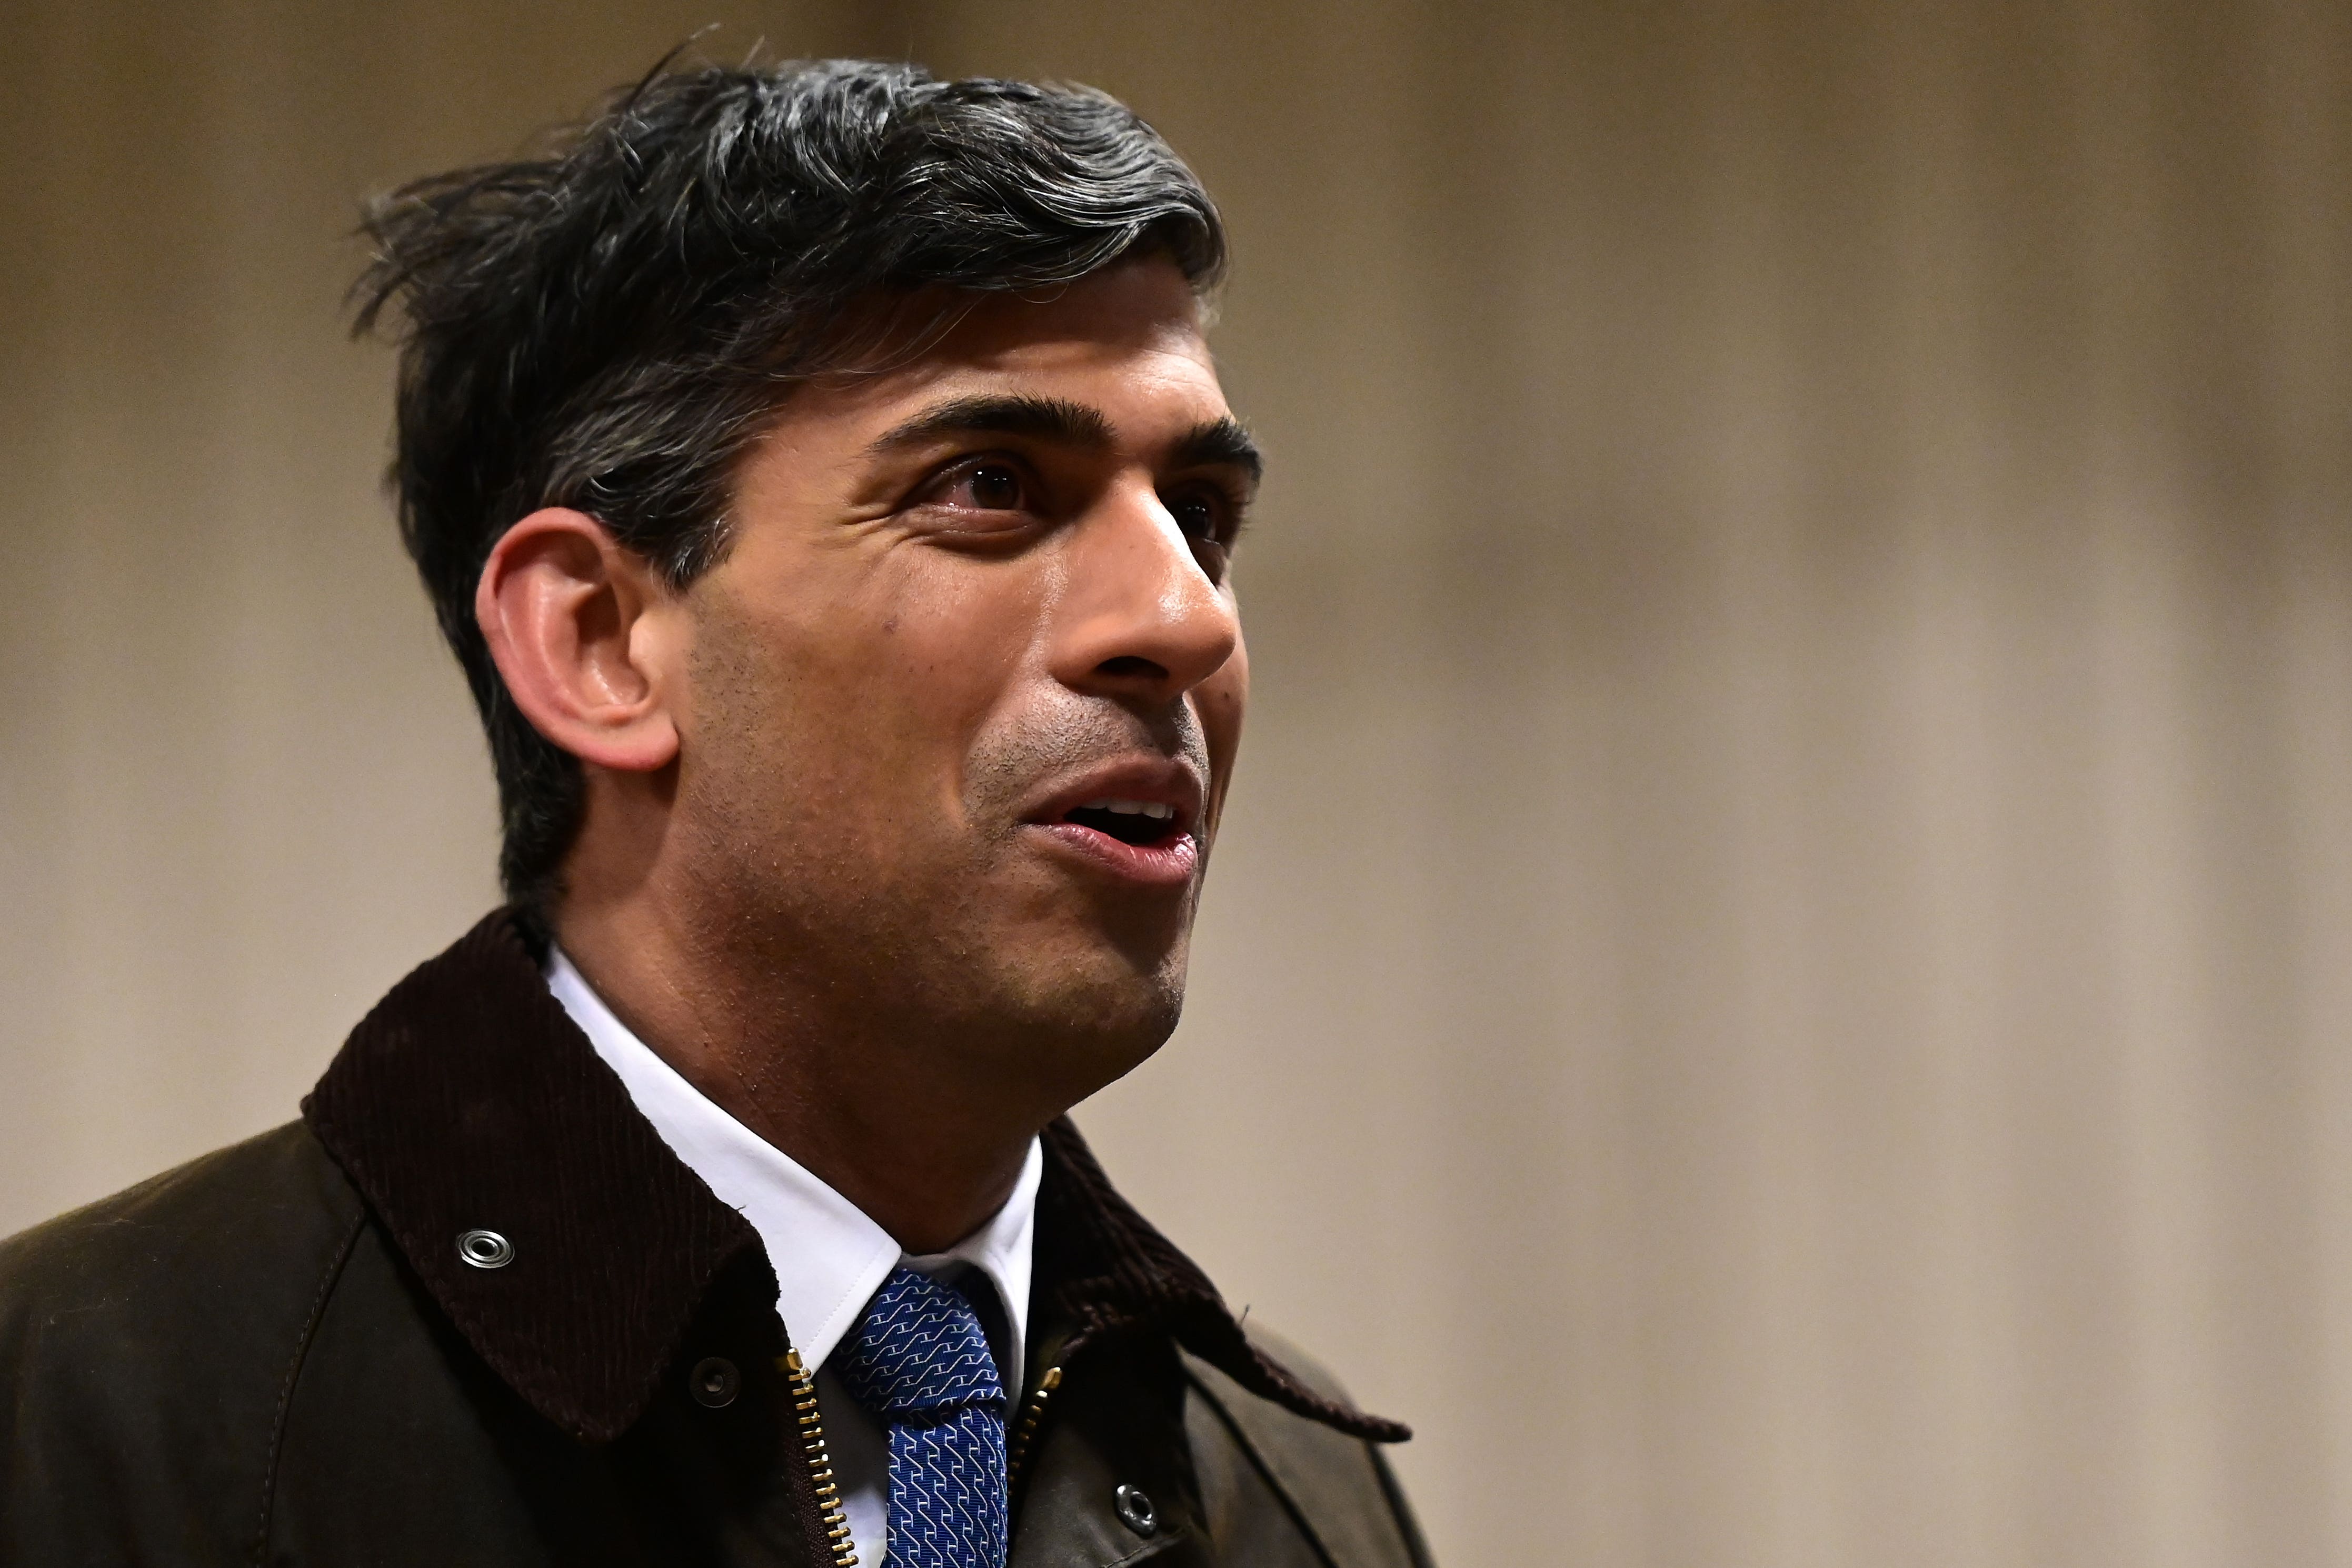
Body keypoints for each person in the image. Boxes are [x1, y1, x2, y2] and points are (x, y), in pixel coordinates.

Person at [0, 56, 1431, 1568]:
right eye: (991, 485)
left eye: (1201, 519)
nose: (1186, 619)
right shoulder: (80, 1431)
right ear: (600, 642)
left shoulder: (1299, 1488)